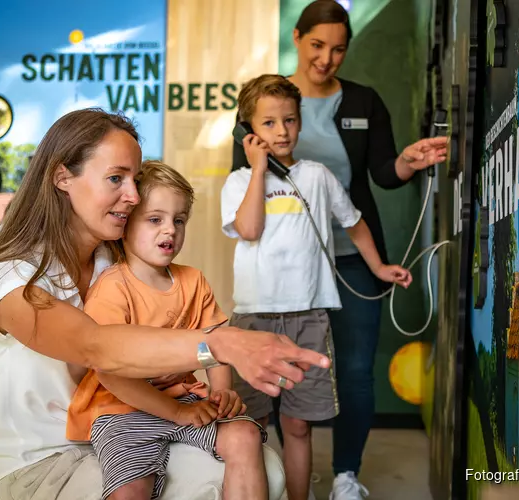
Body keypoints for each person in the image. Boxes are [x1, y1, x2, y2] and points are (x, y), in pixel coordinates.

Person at [0, 107, 332, 500]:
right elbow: (95, 345)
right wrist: (218, 345)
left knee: (265, 465)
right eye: (116, 178)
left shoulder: (114, 262)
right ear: (62, 176)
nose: (133, 196)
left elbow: (154, 341)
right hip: (45, 465)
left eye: (135, 180)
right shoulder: (9, 277)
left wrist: (196, 379)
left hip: (131, 423)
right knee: (209, 483)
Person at [230, 3, 448, 499]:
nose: (327, 59)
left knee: (353, 371)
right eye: (317, 46)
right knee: (282, 380)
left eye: (339, 49)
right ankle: (285, 474)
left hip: (352, 261)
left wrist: (409, 162)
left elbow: (384, 175)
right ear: (298, 37)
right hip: (287, 271)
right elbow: (242, 187)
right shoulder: (264, 102)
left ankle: (347, 475)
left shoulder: (364, 102)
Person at [221, 74, 413, 500]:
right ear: (249, 130)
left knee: (298, 424)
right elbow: (248, 228)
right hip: (255, 317)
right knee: (250, 424)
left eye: (290, 120)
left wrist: (379, 267)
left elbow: (354, 222)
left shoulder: (318, 176)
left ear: (300, 122)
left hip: (308, 315)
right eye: (268, 123)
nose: (282, 131)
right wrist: (257, 170)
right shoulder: (238, 182)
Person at [65, 159, 269, 499]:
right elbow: (109, 372)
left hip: (185, 398)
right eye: (155, 219)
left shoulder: (193, 280)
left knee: (245, 435)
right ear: (126, 225)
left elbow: (216, 343)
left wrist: (222, 392)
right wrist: (177, 412)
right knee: (131, 487)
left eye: (179, 220)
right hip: (121, 410)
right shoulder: (113, 287)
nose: (170, 230)